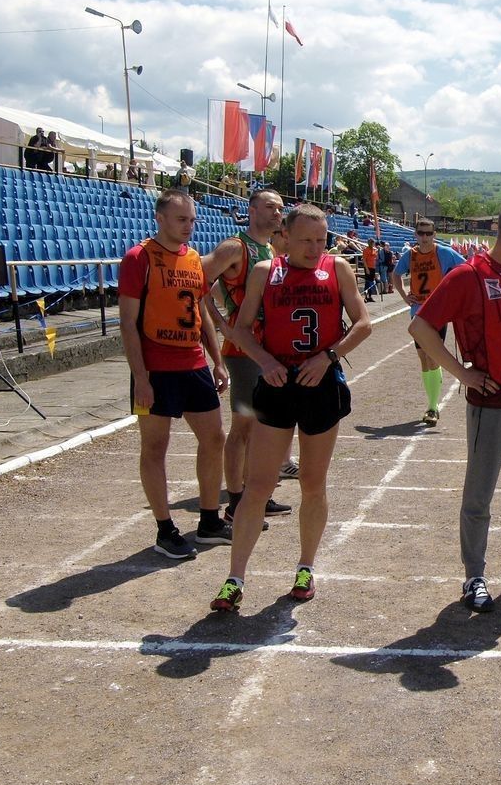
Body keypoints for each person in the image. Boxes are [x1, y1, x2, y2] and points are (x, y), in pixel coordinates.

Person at [210, 204, 371, 612]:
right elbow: (241, 329)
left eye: (321, 239)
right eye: (306, 240)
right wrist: (264, 361)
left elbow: (363, 323)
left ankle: (305, 567)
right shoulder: (266, 272)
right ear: (285, 236)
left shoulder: (338, 268)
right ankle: (235, 577)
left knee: (312, 483)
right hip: (278, 383)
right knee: (258, 485)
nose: (315, 248)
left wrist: (329, 357)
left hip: (320, 384)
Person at [409, 195, 501, 614]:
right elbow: (421, 327)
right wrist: (462, 373)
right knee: (479, 496)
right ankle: (474, 576)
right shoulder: (468, 276)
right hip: (492, 405)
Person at [118, 189, 231, 560]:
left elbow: (202, 313)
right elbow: (128, 323)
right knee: (154, 447)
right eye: (181, 219)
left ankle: (210, 520)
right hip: (155, 368)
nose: (188, 226)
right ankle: (165, 529)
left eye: (192, 220)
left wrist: (217, 360)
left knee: (214, 437)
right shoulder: (138, 258)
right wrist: (141, 377)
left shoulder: (194, 258)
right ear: (160, 218)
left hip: (193, 364)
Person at [206, 188, 294, 526]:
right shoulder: (235, 247)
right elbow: (200, 283)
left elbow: (220, 290)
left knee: (261, 429)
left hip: (266, 350)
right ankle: (236, 503)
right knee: (243, 428)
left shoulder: (269, 249)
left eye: (280, 208)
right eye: (270, 207)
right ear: (252, 210)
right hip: (243, 352)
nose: (277, 213)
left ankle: (257, 496)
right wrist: (223, 325)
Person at [392, 218, 467, 426]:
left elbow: (467, 268)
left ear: (434, 234)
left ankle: (432, 407)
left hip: (437, 312)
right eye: (420, 233)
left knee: (432, 357)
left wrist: (452, 294)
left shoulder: (444, 252)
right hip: (417, 312)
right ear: (415, 234)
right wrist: (404, 296)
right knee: (424, 358)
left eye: (428, 233)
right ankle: (432, 403)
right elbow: (396, 275)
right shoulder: (410, 255)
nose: (424, 237)